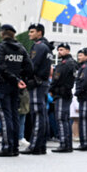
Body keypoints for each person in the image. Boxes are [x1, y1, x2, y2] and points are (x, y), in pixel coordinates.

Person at [0, 24, 31, 157]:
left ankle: (7, 147)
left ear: (3, 33)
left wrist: (14, 78)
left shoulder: (2, 47)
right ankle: (14, 147)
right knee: (14, 116)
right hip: (16, 87)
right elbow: (29, 67)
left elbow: (1, 66)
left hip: (4, 84)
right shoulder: (21, 48)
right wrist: (20, 79)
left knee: (5, 117)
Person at [26, 24, 52, 154]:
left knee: (37, 114)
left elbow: (33, 66)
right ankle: (41, 145)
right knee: (41, 114)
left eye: (32, 31)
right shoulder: (46, 46)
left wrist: (25, 76)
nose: (29, 34)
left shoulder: (39, 46)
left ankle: (35, 145)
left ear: (39, 33)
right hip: (43, 83)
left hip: (37, 82)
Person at [49, 43, 76, 152]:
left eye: (62, 50)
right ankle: (67, 144)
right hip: (66, 93)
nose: (59, 52)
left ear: (68, 51)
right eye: (58, 50)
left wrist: (51, 89)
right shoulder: (73, 63)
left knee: (60, 119)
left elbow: (56, 79)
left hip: (61, 93)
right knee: (65, 119)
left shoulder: (64, 64)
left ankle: (64, 144)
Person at [72, 48, 87, 151]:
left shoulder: (86, 67)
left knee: (84, 120)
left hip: (86, 94)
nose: (79, 57)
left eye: (81, 55)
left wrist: (78, 92)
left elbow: (84, 81)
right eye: (78, 55)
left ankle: (85, 143)